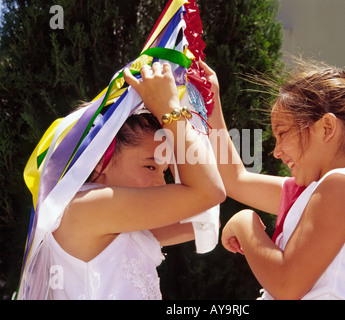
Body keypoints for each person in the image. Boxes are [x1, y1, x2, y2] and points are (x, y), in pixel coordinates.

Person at [201, 59, 345, 300]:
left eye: (282, 133)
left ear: (326, 127)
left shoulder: (341, 186)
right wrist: (209, 99)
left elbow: (286, 286)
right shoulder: (317, 190)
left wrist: (245, 223)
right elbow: (235, 180)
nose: (277, 151)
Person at [28, 62, 225, 300]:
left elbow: (203, 219)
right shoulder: (85, 208)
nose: (162, 183)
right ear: (101, 161)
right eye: (150, 166)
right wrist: (170, 109)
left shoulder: (117, 221)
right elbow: (209, 193)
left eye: (165, 171)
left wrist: (206, 106)